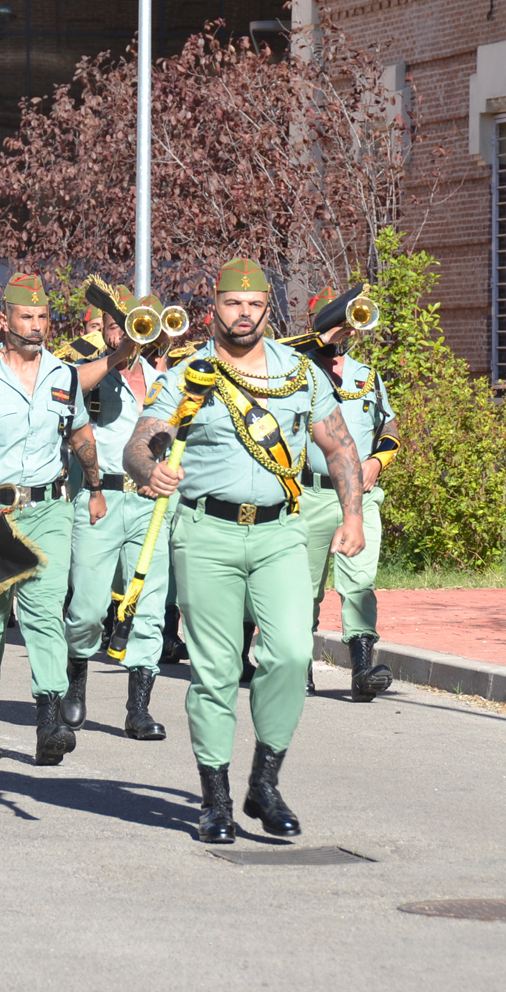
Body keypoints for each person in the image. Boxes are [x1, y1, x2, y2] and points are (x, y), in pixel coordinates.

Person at [124, 257, 366, 844]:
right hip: (207, 533)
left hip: (281, 533)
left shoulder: (299, 373)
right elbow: (138, 442)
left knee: (290, 653)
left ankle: (264, 781)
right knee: (215, 669)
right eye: (234, 303)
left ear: (266, 310)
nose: (244, 314)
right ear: (215, 308)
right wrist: (149, 471)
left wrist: (353, 514)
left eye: (255, 305)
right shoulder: (190, 374)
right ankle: (215, 800)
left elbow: (339, 447)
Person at [0, 273, 128, 765]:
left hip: (49, 509)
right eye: (26, 316)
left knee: (45, 613)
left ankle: (49, 721)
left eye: (42, 317)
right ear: (6, 319)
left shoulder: (64, 376)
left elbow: (80, 435)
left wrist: (95, 487)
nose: (36, 325)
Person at [60, 293, 172, 741]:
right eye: (114, 325)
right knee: (87, 608)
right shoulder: (88, 369)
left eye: (131, 327)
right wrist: (118, 354)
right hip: (98, 498)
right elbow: (68, 390)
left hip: (149, 501)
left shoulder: (162, 376)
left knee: (149, 605)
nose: (122, 333)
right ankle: (76, 679)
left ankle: (138, 709)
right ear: (103, 329)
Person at [293, 283, 399, 702]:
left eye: (350, 326)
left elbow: (388, 429)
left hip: (360, 496)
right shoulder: (296, 371)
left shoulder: (366, 376)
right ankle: (297, 668)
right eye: (338, 325)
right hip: (311, 495)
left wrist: (377, 462)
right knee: (303, 587)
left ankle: (362, 669)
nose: (346, 333)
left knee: (360, 583)